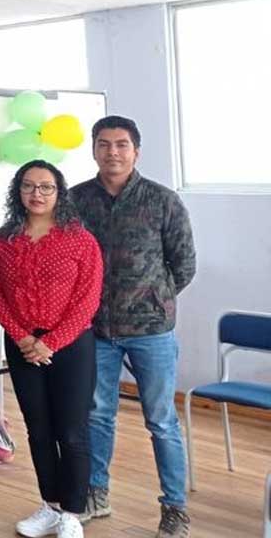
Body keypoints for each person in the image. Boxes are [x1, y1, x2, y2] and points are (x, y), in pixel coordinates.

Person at [70, 115, 196, 538]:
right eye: (104, 144)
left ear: (136, 151)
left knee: (161, 421)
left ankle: (175, 508)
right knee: (97, 415)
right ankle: (96, 494)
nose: (113, 152)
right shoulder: (76, 201)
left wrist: (154, 297)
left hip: (151, 332)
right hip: (96, 331)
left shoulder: (163, 201)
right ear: (93, 150)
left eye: (121, 145)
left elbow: (184, 264)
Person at [0, 160, 103, 538]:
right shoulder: (1, 240)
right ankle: (50, 505)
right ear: (17, 192)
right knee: (38, 430)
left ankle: (72, 512)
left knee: (71, 431)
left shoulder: (80, 240)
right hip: (21, 345)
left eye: (46, 187)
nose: (37, 194)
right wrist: (22, 337)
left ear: (59, 193)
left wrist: (49, 341)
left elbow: (87, 300)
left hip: (70, 346)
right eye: (28, 186)